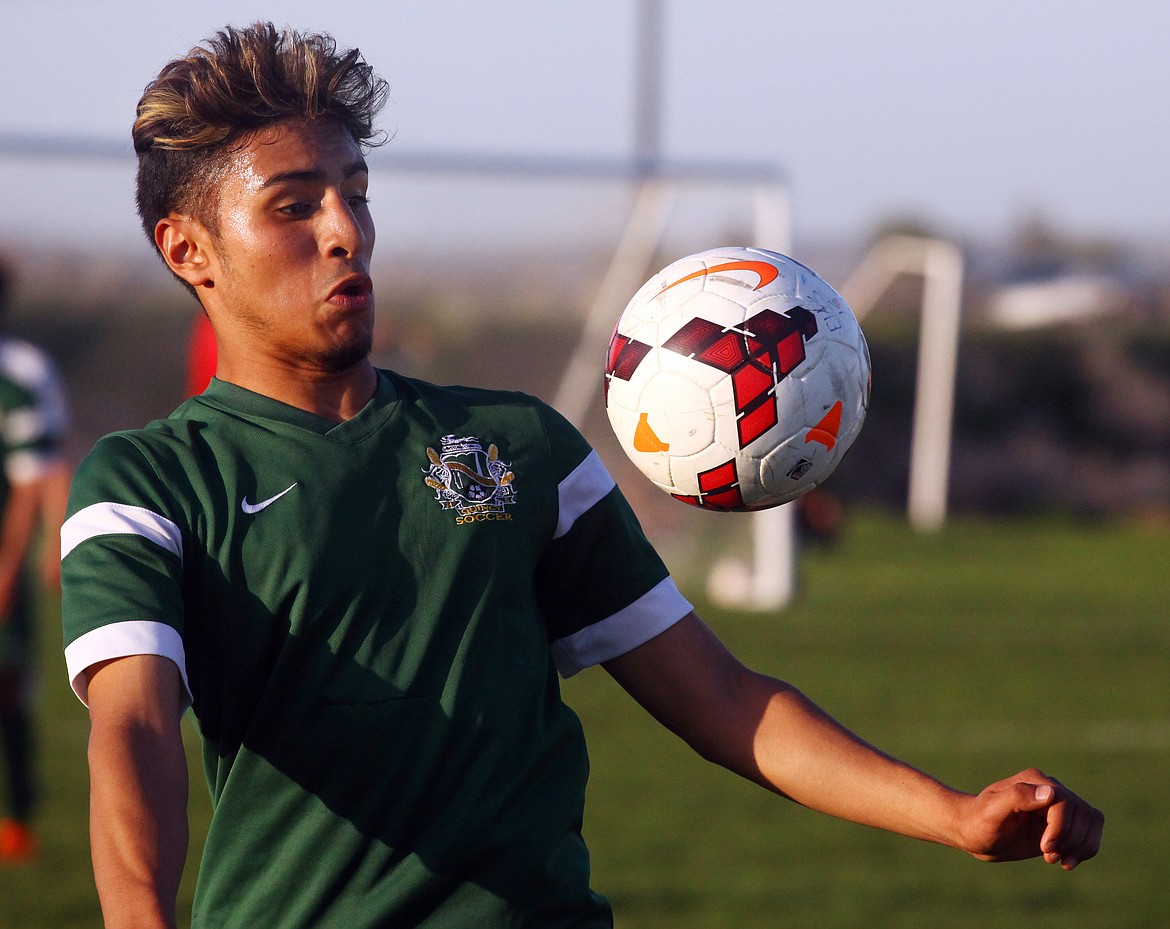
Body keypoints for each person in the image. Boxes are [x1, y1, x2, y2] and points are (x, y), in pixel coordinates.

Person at [60, 23, 1103, 929]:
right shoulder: (152, 481)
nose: (344, 229)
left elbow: (723, 697)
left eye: (356, 193)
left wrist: (954, 814)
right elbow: (135, 724)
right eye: (294, 205)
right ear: (188, 248)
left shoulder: (519, 445)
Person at [0, 260, 71, 863]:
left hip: (3, 561)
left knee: (8, 684)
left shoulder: (22, 373)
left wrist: (40, 548)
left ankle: (17, 815)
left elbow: (40, 472)